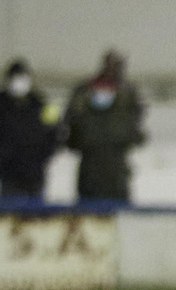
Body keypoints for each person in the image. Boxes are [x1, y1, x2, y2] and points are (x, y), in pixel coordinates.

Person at [63, 51, 145, 203]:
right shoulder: (85, 93)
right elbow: (72, 128)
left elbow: (136, 129)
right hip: (91, 170)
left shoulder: (127, 95)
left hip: (115, 169)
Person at [0, 59, 60, 201]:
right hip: (9, 172)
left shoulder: (40, 103)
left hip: (35, 172)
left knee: (34, 217)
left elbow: (54, 132)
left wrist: (44, 157)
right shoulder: (2, 103)